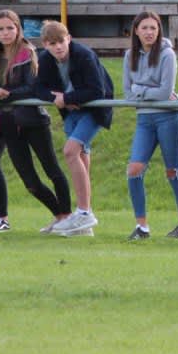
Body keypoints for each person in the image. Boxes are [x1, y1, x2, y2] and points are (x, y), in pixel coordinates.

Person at [0, 9, 72, 233]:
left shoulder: (27, 53)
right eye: (0, 29)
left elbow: (33, 88)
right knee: (30, 182)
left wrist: (7, 94)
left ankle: (68, 216)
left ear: (18, 29)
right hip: (9, 125)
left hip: (33, 121)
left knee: (53, 171)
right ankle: (59, 216)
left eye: (10, 28)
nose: (6, 33)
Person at [33, 21, 114, 238]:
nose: (58, 47)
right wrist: (56, 99)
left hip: (94, 110)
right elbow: (38, 87)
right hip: (71, 112)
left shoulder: (84, 55)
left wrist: (68, 98)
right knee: (81, 155)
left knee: (70, 151)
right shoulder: (45, 59)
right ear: (45, 45)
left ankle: (84, 212)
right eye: (52, 43)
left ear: (68, 38)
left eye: (61, 41)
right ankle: (83, 223)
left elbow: (98, 90)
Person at [123, 10, 178, 240]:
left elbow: (164, 92)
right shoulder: (129, 55)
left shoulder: (167, 54)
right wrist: (143, 93)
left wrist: (139, 89)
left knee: (173, 171)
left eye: (153, 28)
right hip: (145, 119)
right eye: (144, 28)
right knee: (134, 170)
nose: (149, 32)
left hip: (169, 118)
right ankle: (142, 227)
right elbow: (126, 94)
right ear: (136, 31)